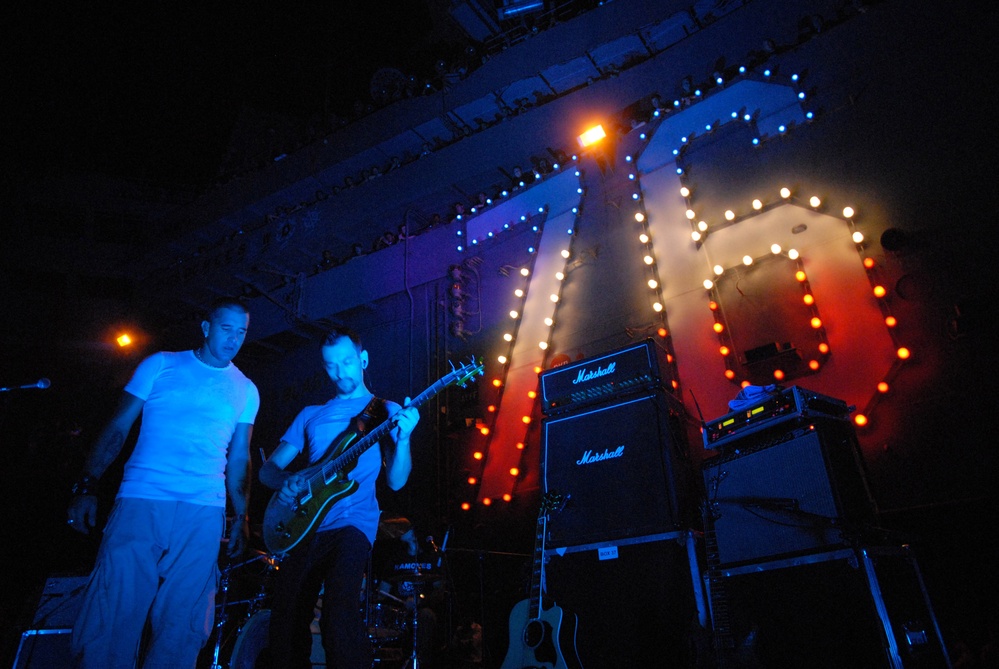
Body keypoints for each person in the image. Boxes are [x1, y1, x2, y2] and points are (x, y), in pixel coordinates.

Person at [66, 297, 260, 668]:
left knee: (185, 617)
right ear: (206, 327)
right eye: (226, 328)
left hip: (204, 507)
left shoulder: (246, 389)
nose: (233, 338)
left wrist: (243, 517)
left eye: (241, 332)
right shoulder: (161, 365)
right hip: (142, 496)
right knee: (115, 602)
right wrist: (87, 485)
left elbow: (240, 457)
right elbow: (117, 429)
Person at [259, 326, 419, 669]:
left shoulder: (383, 410)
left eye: (347, 362)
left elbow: (396, 482)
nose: (340, 372)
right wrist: (286, 481)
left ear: (362, 359)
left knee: (338, 614)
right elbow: (268, 470)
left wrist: (403, 440)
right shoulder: (309, 414)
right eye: (331, 365)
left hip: (353, 524)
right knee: (285, 621)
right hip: (304, 525)